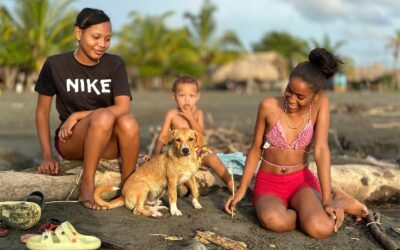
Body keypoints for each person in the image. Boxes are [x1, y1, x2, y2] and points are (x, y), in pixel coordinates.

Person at [224, 48, 368, 239]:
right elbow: (255, 148)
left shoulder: (321, 104)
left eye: (300, 97)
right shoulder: (268, 105)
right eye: (289, 91)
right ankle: (303, 211)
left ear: (316, 95)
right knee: (273, 221)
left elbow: (321, 150)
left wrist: (326, 200)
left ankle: (338, 198)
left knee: (321, 229)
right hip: (269, 182)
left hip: (301, 181)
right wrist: (242, 189)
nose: (291, 99)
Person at [35, 8, 140, 210]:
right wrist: (47, 155)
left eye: (107, 39)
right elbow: (42, 112)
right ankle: (87, 184)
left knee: (128, 122)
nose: (102, 44)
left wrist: (77, 115)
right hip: (72, 140)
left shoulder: (115, 63)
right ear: (78, 33)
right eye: (96, 37)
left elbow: (123, 107)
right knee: (102, 117)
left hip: (106, 142)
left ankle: (130, 185)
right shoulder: (55, 65)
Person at [151, 75, 235, 193]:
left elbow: (201, 137)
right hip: (177, 152)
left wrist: (191, 118)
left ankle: (230, 182)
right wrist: (154, 154)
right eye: (182, 95)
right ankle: (185, 187)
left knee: (213, 158)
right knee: (172, 167)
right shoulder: (172, 114)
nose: (187, 100)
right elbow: (162, 137)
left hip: (196, 151)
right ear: (174, 96)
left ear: (197, 97)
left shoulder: (198, 113)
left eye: (191, 96)